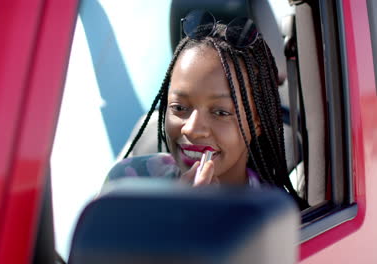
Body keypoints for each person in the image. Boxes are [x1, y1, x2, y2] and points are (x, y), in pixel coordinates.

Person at [105, 10, 307, 209]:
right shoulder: (127, 183)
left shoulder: (273, 218)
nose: (191, 129)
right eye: (179, 107)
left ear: (256, 124)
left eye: (221, 112)